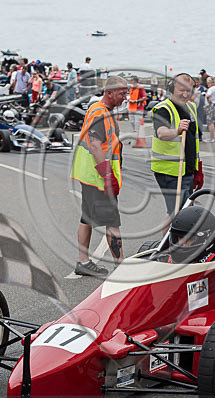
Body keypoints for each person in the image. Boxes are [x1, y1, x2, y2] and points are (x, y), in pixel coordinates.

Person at [71, 76, 128, 278]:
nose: (125, 97)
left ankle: (83, 261)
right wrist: (107, 175)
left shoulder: (103, 111)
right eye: (122, 93)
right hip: (98, 178)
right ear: (109, 93)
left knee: (86, 217)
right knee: (113, 222)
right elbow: (95, 145)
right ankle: (120, 269)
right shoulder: (99, 113)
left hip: (91, 176)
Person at [152, 73, 205, 232]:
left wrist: (197, 168)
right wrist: (177, 130)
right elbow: (161, 133)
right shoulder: (163, 109)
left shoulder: (191, 107)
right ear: (171, 89)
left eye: (188, 90)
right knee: (175, 212)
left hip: (187, 168)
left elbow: (192, 138)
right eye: (181, 90)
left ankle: (182, 245)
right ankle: (165, 249)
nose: (185, 94)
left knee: (186, 209)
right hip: (169, 170)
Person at [127, 76, 147, 141]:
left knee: (137, 124)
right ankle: (135, 136)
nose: (131, 81)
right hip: (131, 108)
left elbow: (144, 98)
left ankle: (136, 139)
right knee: (132, 122)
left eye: (132, 80)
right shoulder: (131, 88)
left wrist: (136, 101)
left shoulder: (140, 88)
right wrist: (128, 100)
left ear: (135, 81)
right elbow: (131, 96)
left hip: (138, 108)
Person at [204, 76, 215, 143]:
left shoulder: (211, 89)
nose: (207, 83)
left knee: (210, 122)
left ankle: (211, 138)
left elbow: (208, 96)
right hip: (214, 105)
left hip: (210, 106)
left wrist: (208, 100)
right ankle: (212, 137)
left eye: (208, 82)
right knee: (211, 122)